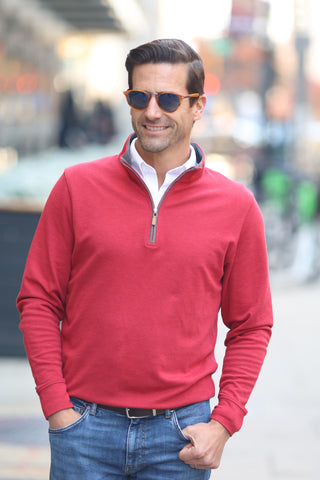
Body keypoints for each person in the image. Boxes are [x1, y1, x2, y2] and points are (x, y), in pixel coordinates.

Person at [17, 39, 273, 480]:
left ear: (197, 106)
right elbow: (38, 300)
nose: (152, 111)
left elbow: (251, 324)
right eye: (141, 97)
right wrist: (57, 407)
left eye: (169, 99)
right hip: (83, 429)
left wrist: (224, 422)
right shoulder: (77, 187)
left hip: (181, 436)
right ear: (129, 101)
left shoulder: (236, 206)